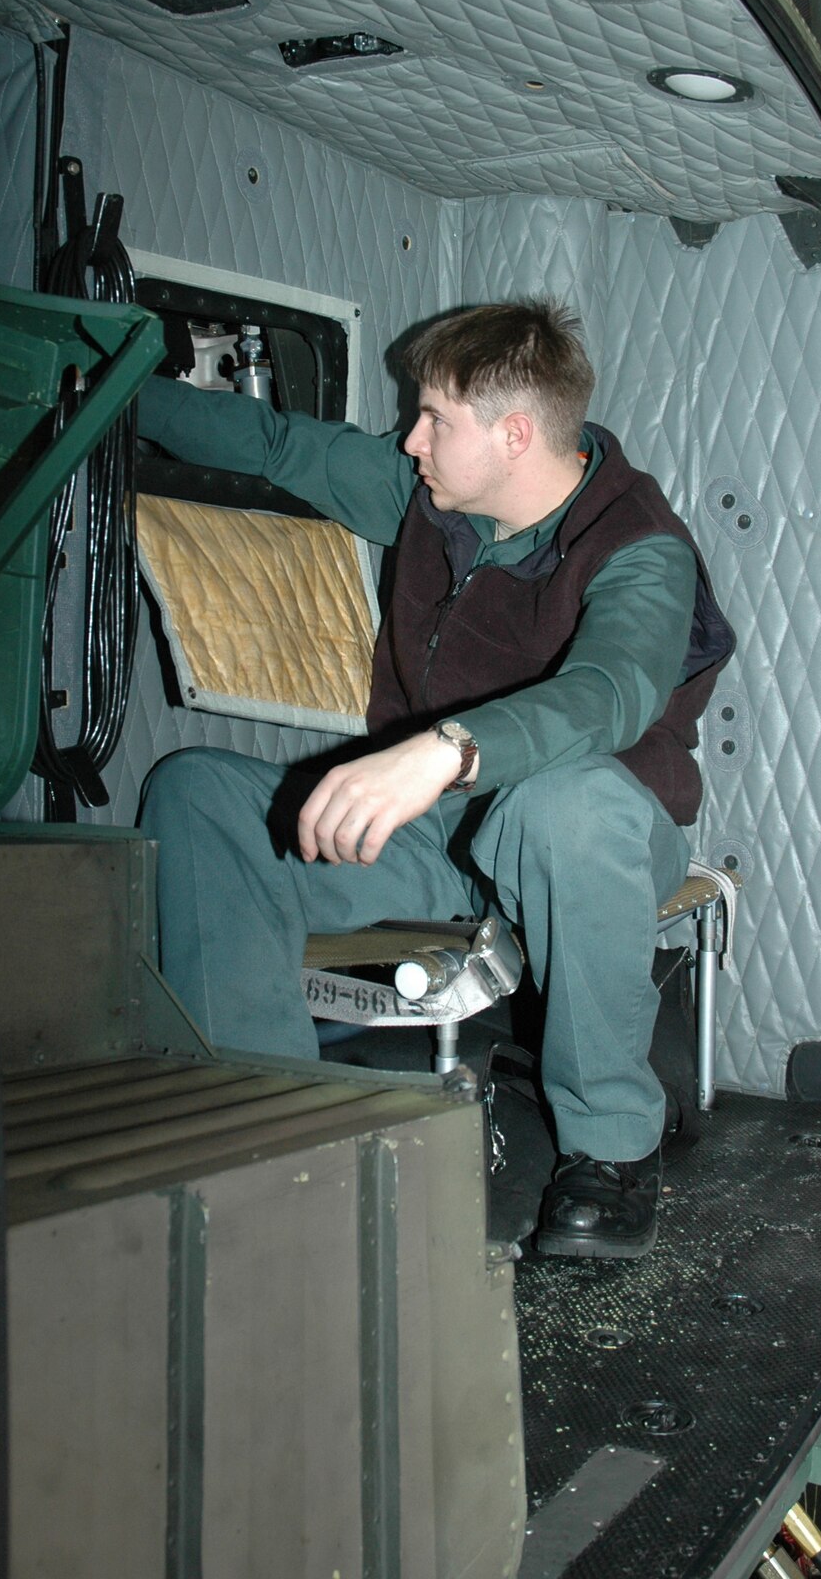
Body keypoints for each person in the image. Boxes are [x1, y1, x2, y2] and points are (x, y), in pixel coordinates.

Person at [138, 298, 734, 1257]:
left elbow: (611, 693)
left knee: (564, 805)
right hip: (441, 837)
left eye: (433, 420)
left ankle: (612, 1153)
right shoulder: (427, 493)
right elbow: (281, 443)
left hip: (594, 835)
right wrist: (118, 388)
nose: (409, 438)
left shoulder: (639, 545)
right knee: (197, 791)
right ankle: (270, 1127)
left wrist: (440, 750)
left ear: (514, 434)